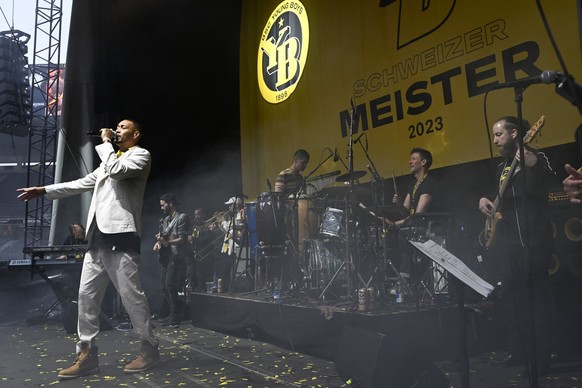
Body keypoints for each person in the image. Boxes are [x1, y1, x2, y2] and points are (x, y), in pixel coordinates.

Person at [16, 119, 160, 379]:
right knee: (86, 297)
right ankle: (86, 354)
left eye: (123, 127)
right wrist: (44, 190)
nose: (117, 130)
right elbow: (81, 183)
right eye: (115, 127)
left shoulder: (140, 156)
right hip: (96, 237)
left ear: (136, 134)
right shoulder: (108, 161)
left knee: (131, 296)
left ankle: (148, 347)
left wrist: (105, 142)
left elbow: (117, 170)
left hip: (121, 235)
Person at [478, 116, 555, 378]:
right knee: (512, 300)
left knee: (536, 303)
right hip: (509, 244)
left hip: (533, 241)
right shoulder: (504, 166)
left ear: (514, 134)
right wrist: (485, 200)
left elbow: (546, 180)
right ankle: (518, 351)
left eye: (499, 134)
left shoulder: (534, 158)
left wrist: (531, 161)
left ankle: (541, 360)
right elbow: (499, 196)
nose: (495, 140)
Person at [383, 148, 437, 287]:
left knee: (402, 234)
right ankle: (394, 278)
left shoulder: (429, 183)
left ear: (423, 162)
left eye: (413, 159)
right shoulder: (412, 184)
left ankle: (405, 282)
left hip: (424, 226)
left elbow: (417, 216)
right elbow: (404, 211)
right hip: (411, 224)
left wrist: (394, 224)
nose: (409, 162)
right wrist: (399, 203)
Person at [152, 193, 190, 328]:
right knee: (164, 287)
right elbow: (163, 238)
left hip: (176, 257)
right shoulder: (166, 219)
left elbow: (183, 239)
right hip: (166, 257)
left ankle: (175, 316)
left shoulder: (182, 217)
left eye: (163, 205)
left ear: (171, 203)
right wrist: (159, 243)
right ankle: (179, 311)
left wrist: (167, 242)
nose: (162, 208)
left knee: (170, 286)